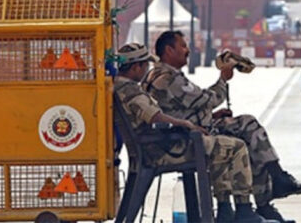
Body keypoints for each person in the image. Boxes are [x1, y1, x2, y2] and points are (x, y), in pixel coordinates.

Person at [144, 31, 301, 223]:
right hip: (185, 140)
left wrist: (212, 115)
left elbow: (183, 108)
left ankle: (272, 187)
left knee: (248, 125)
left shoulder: (162, 75)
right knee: (240, 143)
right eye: (182, 46)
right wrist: (223, 79)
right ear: (168, 50)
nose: (187, 50)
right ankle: (251, 205)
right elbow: (208, 99)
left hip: (189, 131)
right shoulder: (167, 78)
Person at [114, 43, 274, 223]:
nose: (146, 69)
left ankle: (225, 211)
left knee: (217, 145)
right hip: (163, 152)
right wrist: (186, 124)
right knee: (235, 147)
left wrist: (208, 117)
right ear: (136, 67)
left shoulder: (121, 86)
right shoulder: (130, 89)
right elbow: (154, 116)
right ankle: (244, 210)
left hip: (154, 147)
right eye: (145, 65)